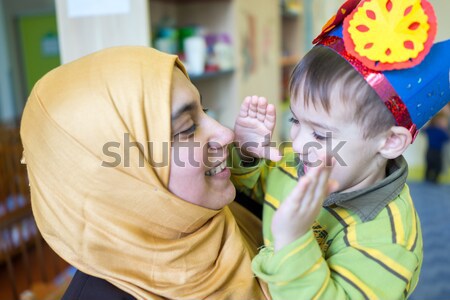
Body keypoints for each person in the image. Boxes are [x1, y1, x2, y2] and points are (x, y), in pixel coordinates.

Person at [230, 0, 450, 299]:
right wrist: (247, 153)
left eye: (320, 134)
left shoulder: (388, 239)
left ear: (389, 142)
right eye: (295, 120)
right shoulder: (299, 162)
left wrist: (293, 240)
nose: (296, 142)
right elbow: (251, 190)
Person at [20, 47, 270, 299]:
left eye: (204, 111)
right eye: (186, 128)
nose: (226, 134)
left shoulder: (229, 203)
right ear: (118, 180)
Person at [424, 112, 449, 183]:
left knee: (438, 166)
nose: (442, 122)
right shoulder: (431, 129)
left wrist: (444, 129)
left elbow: (447, 138)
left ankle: (435, 179)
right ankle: (427, 178)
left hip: (438, 151)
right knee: (429, 165)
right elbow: (423, 131)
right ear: (436, 120)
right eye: (441, 120)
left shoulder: (442, 131)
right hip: (431, 150)